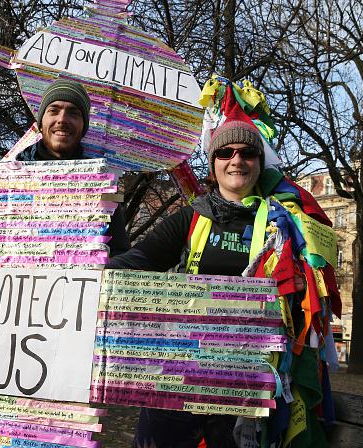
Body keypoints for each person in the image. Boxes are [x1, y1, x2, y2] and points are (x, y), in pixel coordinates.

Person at [106, 119, 264, 448]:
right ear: (213, 163)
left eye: (247, 152)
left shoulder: (281, 224)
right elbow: (138, 261)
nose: (236, 160)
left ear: (259, 163)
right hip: (178, 373)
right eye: (225, 152)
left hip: (241, 382)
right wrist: (78, 270)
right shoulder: (191, 217)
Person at [0, 79, 130, 263]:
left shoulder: (101, 185)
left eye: (73, 113)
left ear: (83, 127)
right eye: (53, 111)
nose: (62, 120)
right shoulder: (0, 182)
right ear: (40, 122)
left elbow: (120, 255)